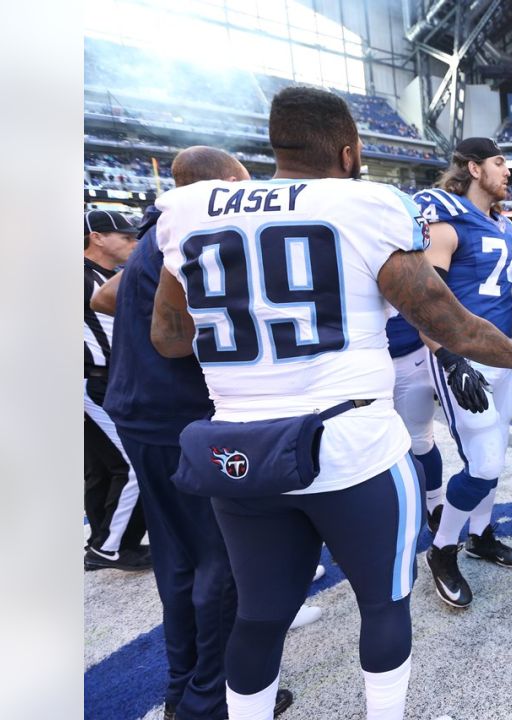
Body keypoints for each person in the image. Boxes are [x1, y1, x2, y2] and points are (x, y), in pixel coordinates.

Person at [149, 87, 512, 719]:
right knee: (384, 604)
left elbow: (170, 338)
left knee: (258, 617)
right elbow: (454, 326)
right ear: (349, 150)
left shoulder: (188, 207)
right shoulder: (366, 203)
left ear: (275, 143)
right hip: (350, 447)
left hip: (239, 452)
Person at [97, 147, 322, 720]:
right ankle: (210, 699)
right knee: (222, 560)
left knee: (178, 561)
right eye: (243, 184)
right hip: (184, 417)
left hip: (139, 410)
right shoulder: (199, 228)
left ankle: (183, 689)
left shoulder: (157, 231)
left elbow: (104, 296)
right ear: (225, 184)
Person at [413, 137, 512, 609]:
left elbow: (504, 297)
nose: (508, 171)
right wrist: (449, 357)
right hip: (464, 357)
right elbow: (424, 300)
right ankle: (441, 551)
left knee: (495, 455)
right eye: (500, 162)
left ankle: (481, 534)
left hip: (499, 354)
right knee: (481, 465)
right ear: (474, 166)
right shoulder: (446, 218)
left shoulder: (502, 225)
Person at [83, 209, 150, 571]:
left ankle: (100, 540)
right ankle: (110, 547)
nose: (133, 243)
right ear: (97, 237)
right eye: (124, 237)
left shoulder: (103, 275)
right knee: (132, 465)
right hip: (93, 379)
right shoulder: (79, 277)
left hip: (100, 378)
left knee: (102, 468)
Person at [385, 314, 443, 533]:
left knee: (421, 439)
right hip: (361, 358)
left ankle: (434, 505)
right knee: (363, 444)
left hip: (411, 353)